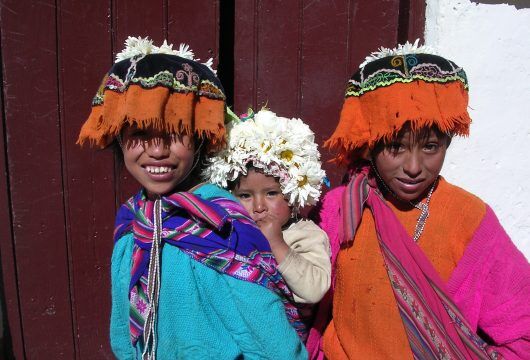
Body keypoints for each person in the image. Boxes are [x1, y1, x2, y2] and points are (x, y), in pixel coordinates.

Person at [78, 36, 307, 360]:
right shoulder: (134, 222)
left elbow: (274, 344)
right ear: (119, 137)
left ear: (200, 139)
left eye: (175, 135)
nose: (157, 151)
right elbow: (123, 333)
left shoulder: (223, 225)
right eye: (141, 133)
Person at [306, 41, 530, 359]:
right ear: (369, 144)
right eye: (396, 147)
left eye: (430, 147)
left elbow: (522, 325)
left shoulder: (468, 217)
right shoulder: (340, 209)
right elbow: (300, 306)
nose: (413, 167)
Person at [204, 109, 331, 306]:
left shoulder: (306, 235)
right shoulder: (229, 230)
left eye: (271, 193)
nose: (259, 207)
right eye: (245, 195)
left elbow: (314, 290)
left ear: (293, 193)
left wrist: (277, 244)